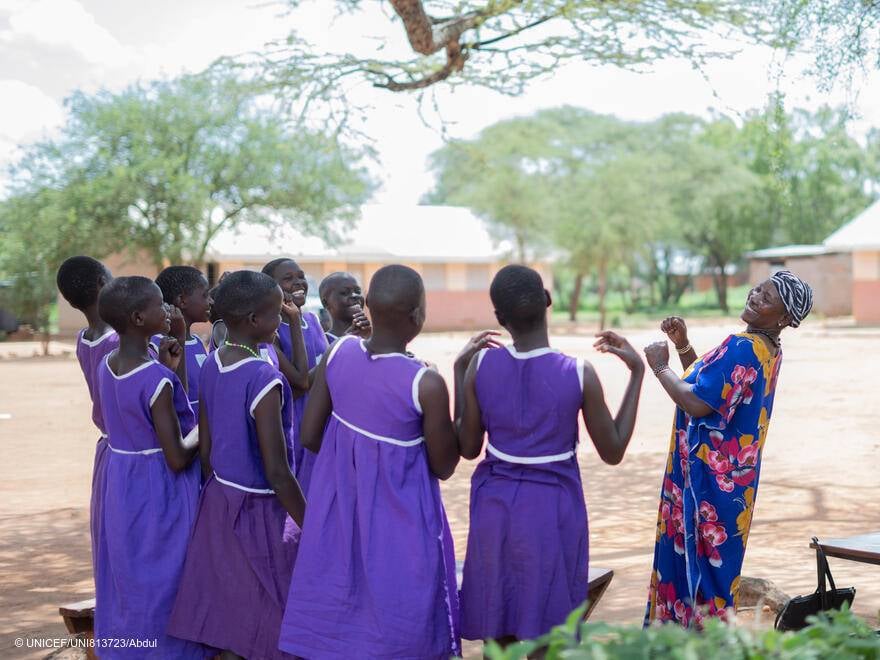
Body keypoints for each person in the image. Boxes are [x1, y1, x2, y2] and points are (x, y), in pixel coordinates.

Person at [278, 265, 485, 659]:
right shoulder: (424, 382)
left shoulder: (338, 352)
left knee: (341, 614)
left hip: (339, 516)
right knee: (401, 622)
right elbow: (444, 465)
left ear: (368, 304)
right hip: (401, 525)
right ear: (419, 316)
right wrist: (460, 375)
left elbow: (309, 436)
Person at [456, 264, 645, 645]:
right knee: (550, 636)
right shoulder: (578, 373)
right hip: (551, 515)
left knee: (500, 629)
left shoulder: (479, 366)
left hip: (494, 511)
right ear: (546, 301)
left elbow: (469, 447)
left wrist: (460, 372)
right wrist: (637, 372)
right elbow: (613, 450)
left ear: (499, 318)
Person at [642, 271, 813, 627]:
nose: (754, 297)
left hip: (703, 485)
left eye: (766, 298)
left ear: (783, 318)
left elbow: (696, 403)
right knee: (715, 578)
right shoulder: (767, 349)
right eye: (757, 289)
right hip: (732, 489)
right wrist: (683, 345)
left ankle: (682, 648)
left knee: (696, 578)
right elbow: (712, 388)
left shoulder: (743, 347)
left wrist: (659, 367)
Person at [168, 271, 305, 660]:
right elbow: (277, 470)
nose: (281, 319)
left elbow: (207, 447)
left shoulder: (212, 363)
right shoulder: (264, 376)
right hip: (260, 508)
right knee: (276, 605)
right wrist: (311, 525)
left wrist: (220, 493)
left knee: (233, 606)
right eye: (277, 313)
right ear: (254, 321)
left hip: (219, 501)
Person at [94, 276, 206, 658]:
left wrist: (172, 369)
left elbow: (149, 414)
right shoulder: (155, 378)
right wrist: (211, 420)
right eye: (161, 305)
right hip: (159, 491)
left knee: (131, 573)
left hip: (122, 486)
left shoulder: (107, 365)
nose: (169, 311)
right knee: (167, 574)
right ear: (140, 317)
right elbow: (177, 454)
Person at [56, 256, 118, 584]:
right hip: (133, 446)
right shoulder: (122, 343)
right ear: (101, 284)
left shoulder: (83, 338)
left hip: (108, 451)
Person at [262, 258, 324, 490]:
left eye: (300, 276)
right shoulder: (270, 331)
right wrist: (334, 356)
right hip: (295, 423)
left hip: (322, 418)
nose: (299, 282)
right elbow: (300, 385)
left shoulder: (313, 320)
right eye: (288, 279)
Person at [151, 266, 212, 417]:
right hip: (180, 434)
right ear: (182, 300)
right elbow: (176, 397)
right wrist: (180, 339)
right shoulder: (159, 345)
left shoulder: (197, 342)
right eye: (205, 295)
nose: (211, 301)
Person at [318, 271, 371, 343]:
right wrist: (344, 343)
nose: (354, 295)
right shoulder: (323, 343)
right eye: (344, 292)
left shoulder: (372, 338)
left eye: (358, 291)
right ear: (326, 303)